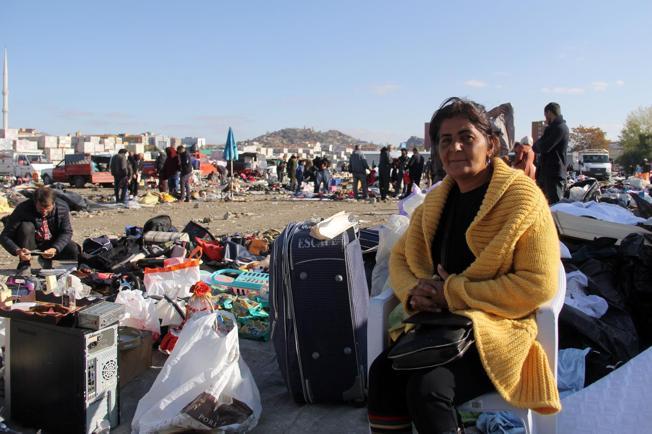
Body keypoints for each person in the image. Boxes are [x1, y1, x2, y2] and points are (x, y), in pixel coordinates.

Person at [368, 97, 561, 434]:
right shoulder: (437, 200)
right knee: (382, 375)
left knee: (427, 390)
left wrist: (452, 294)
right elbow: (400, 256)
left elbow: (538, 284)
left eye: (466, 138)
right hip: (441, 326)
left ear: (492, 145)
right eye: (445, 140)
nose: (454, 148)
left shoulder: (522, 200)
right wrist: (413, 291)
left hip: (498, 330)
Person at [0, 187, 77, 274]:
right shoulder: (23, 209)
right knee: (26, 227)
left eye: (47, 207)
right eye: (41, 208)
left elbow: (66, 232)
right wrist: (18, 251)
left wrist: (55, 248)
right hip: (30, 244)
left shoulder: (62, 208)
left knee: (73, 249)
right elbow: (5, 236)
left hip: (52, 242)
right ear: (35, 202)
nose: (44, 211)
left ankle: (54, 265)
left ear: (53, 203)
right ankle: (24, 263)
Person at [533, 102, 569, 204]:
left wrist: (538, 145)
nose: (545, 118)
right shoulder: (554, 128)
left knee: (555, 205)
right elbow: (538, 146)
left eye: (545, 115)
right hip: (547, 174)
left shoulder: (559, 128)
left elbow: (543, 147)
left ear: (549, 112)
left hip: (553, 175)